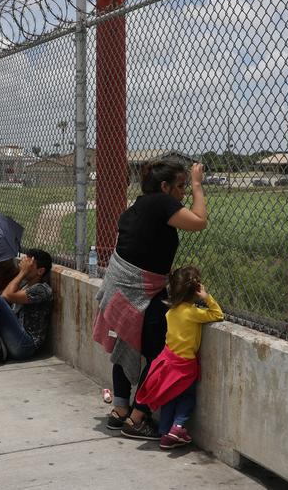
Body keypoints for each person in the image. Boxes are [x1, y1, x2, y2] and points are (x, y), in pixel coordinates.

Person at [93, 160, 207, 440]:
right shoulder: (160, 202)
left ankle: (120, 410)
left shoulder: (137, 207)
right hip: (141, 290)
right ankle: (137, 418)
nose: (182, 194)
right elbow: (199, 222)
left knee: (125, 345)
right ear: (164, 187)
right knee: (159, 356)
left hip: (121, 289)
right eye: (180, 187)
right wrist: (197, 183)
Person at [134, 266, 223, 449]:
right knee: (187, 398)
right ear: (195, 289)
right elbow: (217, 314)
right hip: (184, 365)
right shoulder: (193, 313)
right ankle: (178, 427)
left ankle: (165, 433)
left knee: (170, 397)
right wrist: (206, 297)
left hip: (168, 361)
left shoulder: (170, 312)